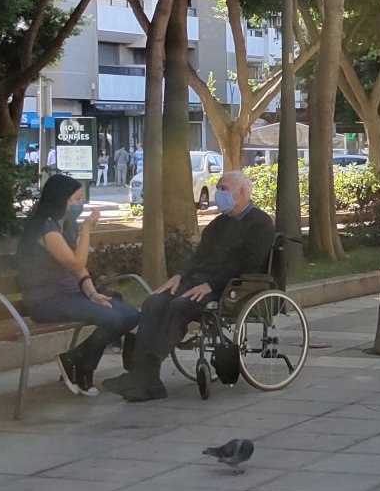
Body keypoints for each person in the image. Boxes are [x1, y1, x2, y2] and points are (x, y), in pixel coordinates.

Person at [102, 171, 275, 402]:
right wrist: (178, 275)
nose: (218, 194)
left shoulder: (260, 223)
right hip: (197, 280)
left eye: (223, 189)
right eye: (219, 189)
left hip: (229, 286)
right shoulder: (218, 224)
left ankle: (143, 376)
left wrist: (211, 284)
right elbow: (198, 257)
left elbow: (248, 263)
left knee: (179, 306)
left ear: (241, 192)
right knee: (154, 302)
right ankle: (145, 377)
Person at [16, 175, 140, 396]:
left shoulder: (68, 225)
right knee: (112, 318)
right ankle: (80, 365)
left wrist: (92, 293)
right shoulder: (46, 228)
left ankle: (75, 360)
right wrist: (88, 230)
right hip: (47, 300)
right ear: (61, 199)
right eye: (76, 199)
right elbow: (76, 261)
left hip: (71, 294)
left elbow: (79, 269)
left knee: (130, 314)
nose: (79, 204)